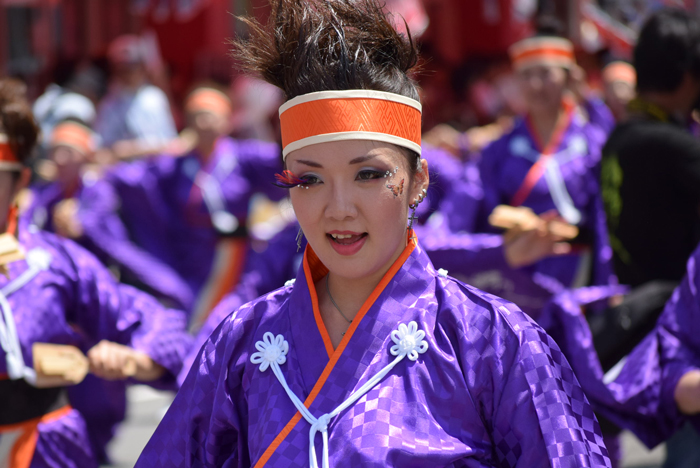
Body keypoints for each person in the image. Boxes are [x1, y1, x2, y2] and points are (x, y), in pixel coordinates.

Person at [137, 1, 611, 466]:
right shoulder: (243, 342)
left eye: (368, 175)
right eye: (309, 179)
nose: (338, 209)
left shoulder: (492, 342)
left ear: (418, 181)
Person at [0, 79, 192, 467]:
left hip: (40, 442)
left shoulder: (53, 256)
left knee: (100, 408)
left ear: (18, 180)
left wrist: (137, 359)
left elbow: (144, 315)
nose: (64, 159)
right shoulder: (47, 199)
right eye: (59, 153)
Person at [80, 85, 283, 316]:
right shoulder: (176, 162)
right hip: (187, 253)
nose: (203, 123)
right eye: (196, 117)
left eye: (209, 116)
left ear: (227, 121)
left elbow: (282, 162)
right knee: (190, 316)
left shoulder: (244, 157)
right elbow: (133, 179)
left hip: (232, 255)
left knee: (229, 316)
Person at [94, 35, 177, 161]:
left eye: (132, 68)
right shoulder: (108, 104)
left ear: (142, 68)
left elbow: (170, 143)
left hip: (152, 170)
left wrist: (132, 149)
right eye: (121, 69)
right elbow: (101, 145)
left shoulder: (154, 99)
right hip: (119, 173)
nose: (127, 75)